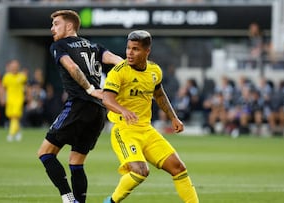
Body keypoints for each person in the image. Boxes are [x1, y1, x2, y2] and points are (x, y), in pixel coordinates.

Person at [102, 30, 199, 203]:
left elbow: (160, 95)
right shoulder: (119, 72)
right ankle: (111, 201)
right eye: (128, 48)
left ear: (147, 51)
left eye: (135, 49)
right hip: (124, 130)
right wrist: (122, 110)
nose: (129, 53)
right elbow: (106, 98)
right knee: (140, 171)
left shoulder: (154, 71)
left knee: (179, 168)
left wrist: (173, 117)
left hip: (146, 130)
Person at [37, 10, 123, 203]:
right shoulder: (94, 46)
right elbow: (119, 62)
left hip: (79, 105)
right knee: (76, 162)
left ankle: (68, 199)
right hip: (98, 111)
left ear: (69, 26)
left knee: (45, 153)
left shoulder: (59, 45)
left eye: (56, 24)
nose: (52, 29)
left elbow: (72, 67)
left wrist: (90, 88)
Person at [1, 59, 27, 141]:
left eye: (16, 66)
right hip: (10, 100)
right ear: (10, 66)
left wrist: (27, 96)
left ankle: (11, 134)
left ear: (18, 67)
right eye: (13, 66)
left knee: (15, 116)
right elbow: (3, 88)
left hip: (19, 99)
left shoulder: (22, 76)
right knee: (12, 117)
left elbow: (26, 87)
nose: (14, 67)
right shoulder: (6, 77)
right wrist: (3, 98)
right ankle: (18, 132)